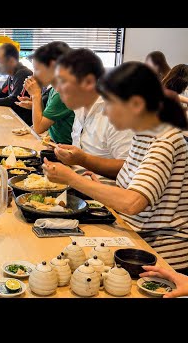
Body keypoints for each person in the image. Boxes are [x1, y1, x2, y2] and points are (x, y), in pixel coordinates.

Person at [42, 62, 188, 272]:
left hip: (158, 253)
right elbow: (132, 189)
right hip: (132, 232)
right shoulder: (142, 135)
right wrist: (99, 185)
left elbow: (132, 203)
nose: (106, 112)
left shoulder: (164, 140)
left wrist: (72, 179)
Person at [53, 49, 134, 180]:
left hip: (103, 194)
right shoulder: (78, 108)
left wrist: (84, 160)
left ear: (89, 82)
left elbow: (129, 167)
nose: (57, 89)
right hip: (79, 183)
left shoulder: (116, 114)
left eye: (63, 81)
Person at [19, 42, 74, 144]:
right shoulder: (55, 87)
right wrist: (35, 102)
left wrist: (36, 95)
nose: (34, 74)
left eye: (37, 69)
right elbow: (46, 117)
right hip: (53, 142)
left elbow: (39, 128)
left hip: (64, 149)